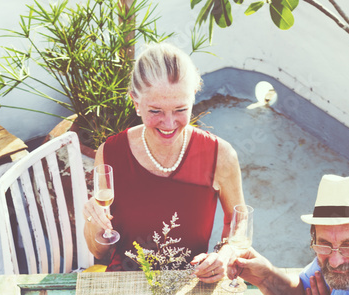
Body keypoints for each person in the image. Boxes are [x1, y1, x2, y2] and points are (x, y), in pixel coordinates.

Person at [82, 42, 245, 281]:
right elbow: (101, 254)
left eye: (180, 109)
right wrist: (92, 220)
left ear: (192, 100)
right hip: (124, 282)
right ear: (136, 103)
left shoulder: (220, 155)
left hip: (189, 282)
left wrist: (226, 252)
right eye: (156, 111)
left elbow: (237, 219)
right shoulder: (110, 154)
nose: (169, 124)